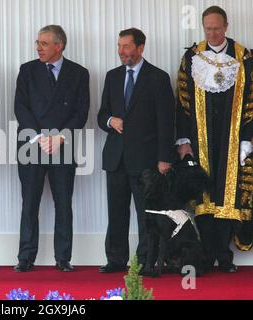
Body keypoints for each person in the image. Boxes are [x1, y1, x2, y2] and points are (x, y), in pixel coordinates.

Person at [176, 6, 253, 273]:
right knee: (204, 198)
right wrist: (183, 141)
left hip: (232, 140)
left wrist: (247, 138)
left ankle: (225, 257)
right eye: (208, 28)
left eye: (217, 28)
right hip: (200, 140)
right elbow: (183, 101)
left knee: (227, 197)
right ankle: (206, 256)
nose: (213, 33)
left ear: (227, 26)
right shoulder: (192, 56)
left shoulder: (244, 57)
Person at [97, 28, 175, 273]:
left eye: (126, 47)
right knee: (116, 213)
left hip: (146, 160)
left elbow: (166, 121)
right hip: (116, 159)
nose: (121, 52)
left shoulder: (158, 78)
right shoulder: (112, 76)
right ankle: (116, 259)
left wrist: (164, 158)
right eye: (119, 46)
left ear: (140, 48)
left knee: (146, 216)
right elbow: (101, 116)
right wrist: (111, 121)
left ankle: (145, 261)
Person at [14, 25, 90, 272]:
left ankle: (63, 258)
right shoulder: (27, 70)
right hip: (31, 144)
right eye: (38, 42)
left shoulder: (79, 73)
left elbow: (81, 112)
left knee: (63, 203)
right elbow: (20, 107)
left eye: (44, 43)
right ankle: (25, 257)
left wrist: (59, 137)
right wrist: (39, 137)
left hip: (63, 145)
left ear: (59, 45)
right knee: (29, 203)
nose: (38, 47)